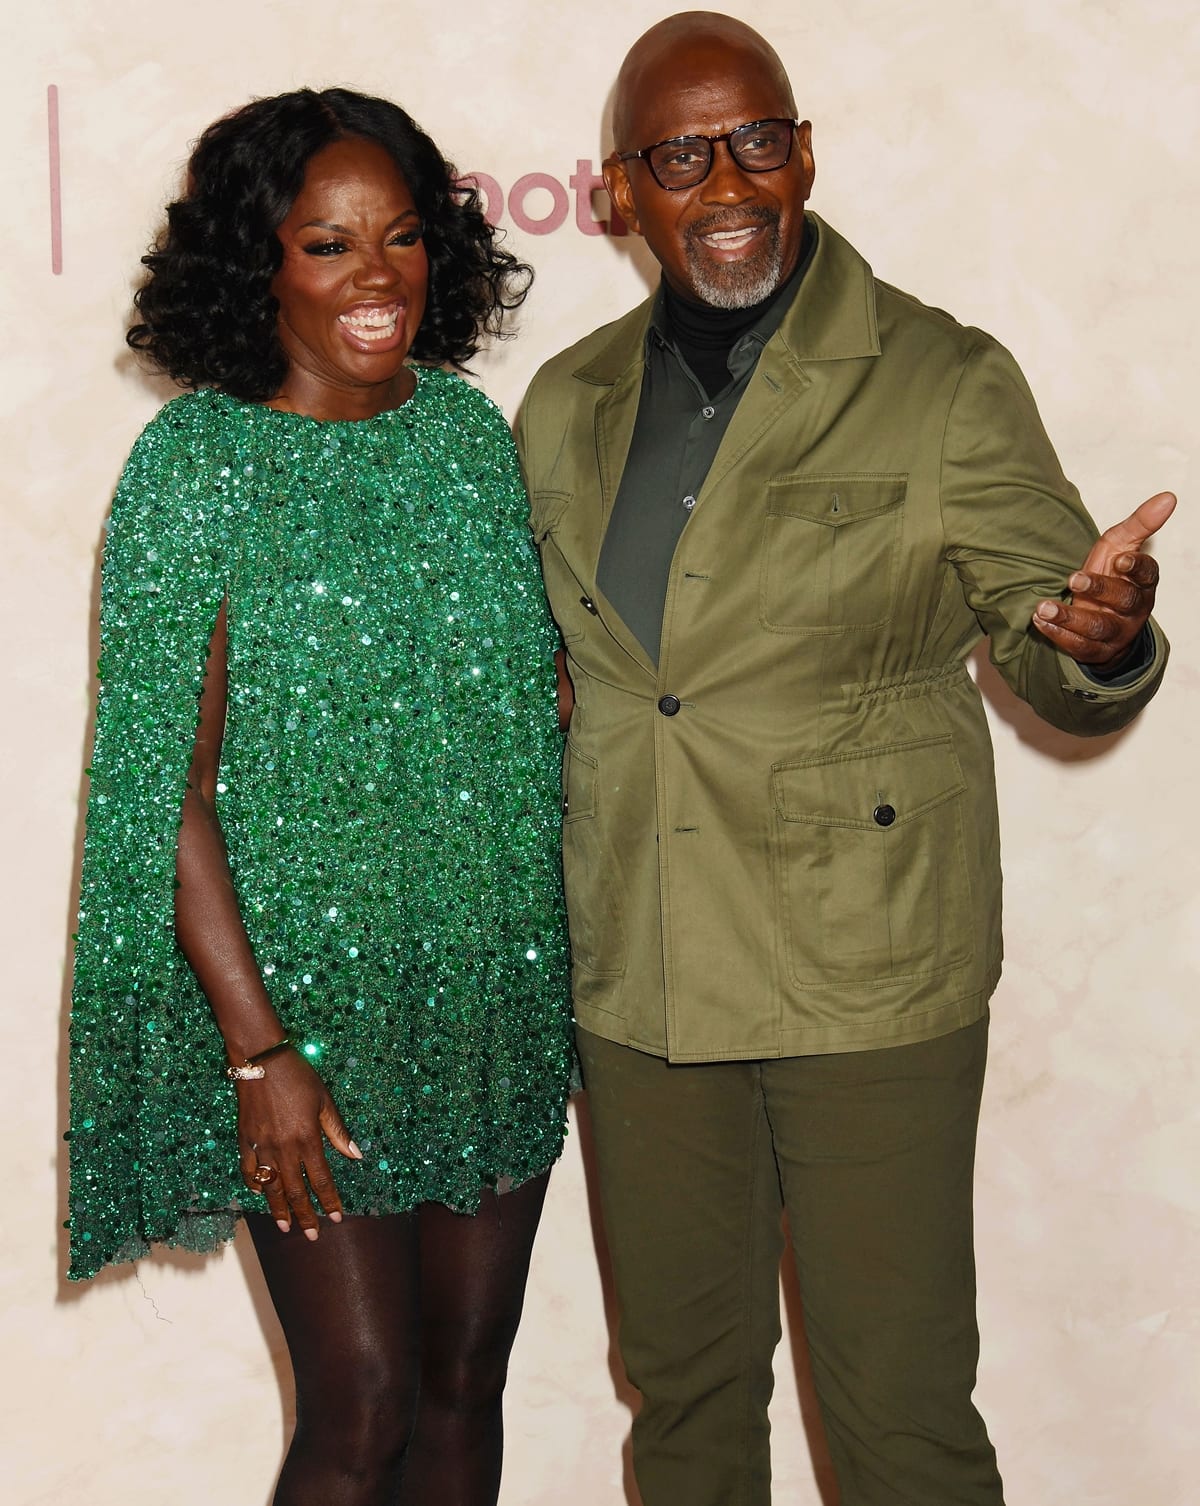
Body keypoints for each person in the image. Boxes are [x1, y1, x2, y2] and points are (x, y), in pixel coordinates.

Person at [516, 13, 1172, 1506]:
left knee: (896, 1412)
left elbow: (1052, 649)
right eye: (681, 153)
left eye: (758, 139)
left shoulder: (940, 377)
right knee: (680, 1395)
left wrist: (1100, 637)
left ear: (805, 152)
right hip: (642, 967)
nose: (728, 180)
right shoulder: (563, 404)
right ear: (624, 190)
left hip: (868, 965)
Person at [67, 87, 573, 1506]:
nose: (378, 279)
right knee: (360, 1403)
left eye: (404, 238)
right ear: (259, 264)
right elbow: (160, 789)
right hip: (300, 1017)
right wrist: (257, 1052)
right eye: (328, 244)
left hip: (489, 988)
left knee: (467, 1381)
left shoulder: (474, 438)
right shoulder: (196, 469)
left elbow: (523, 695)